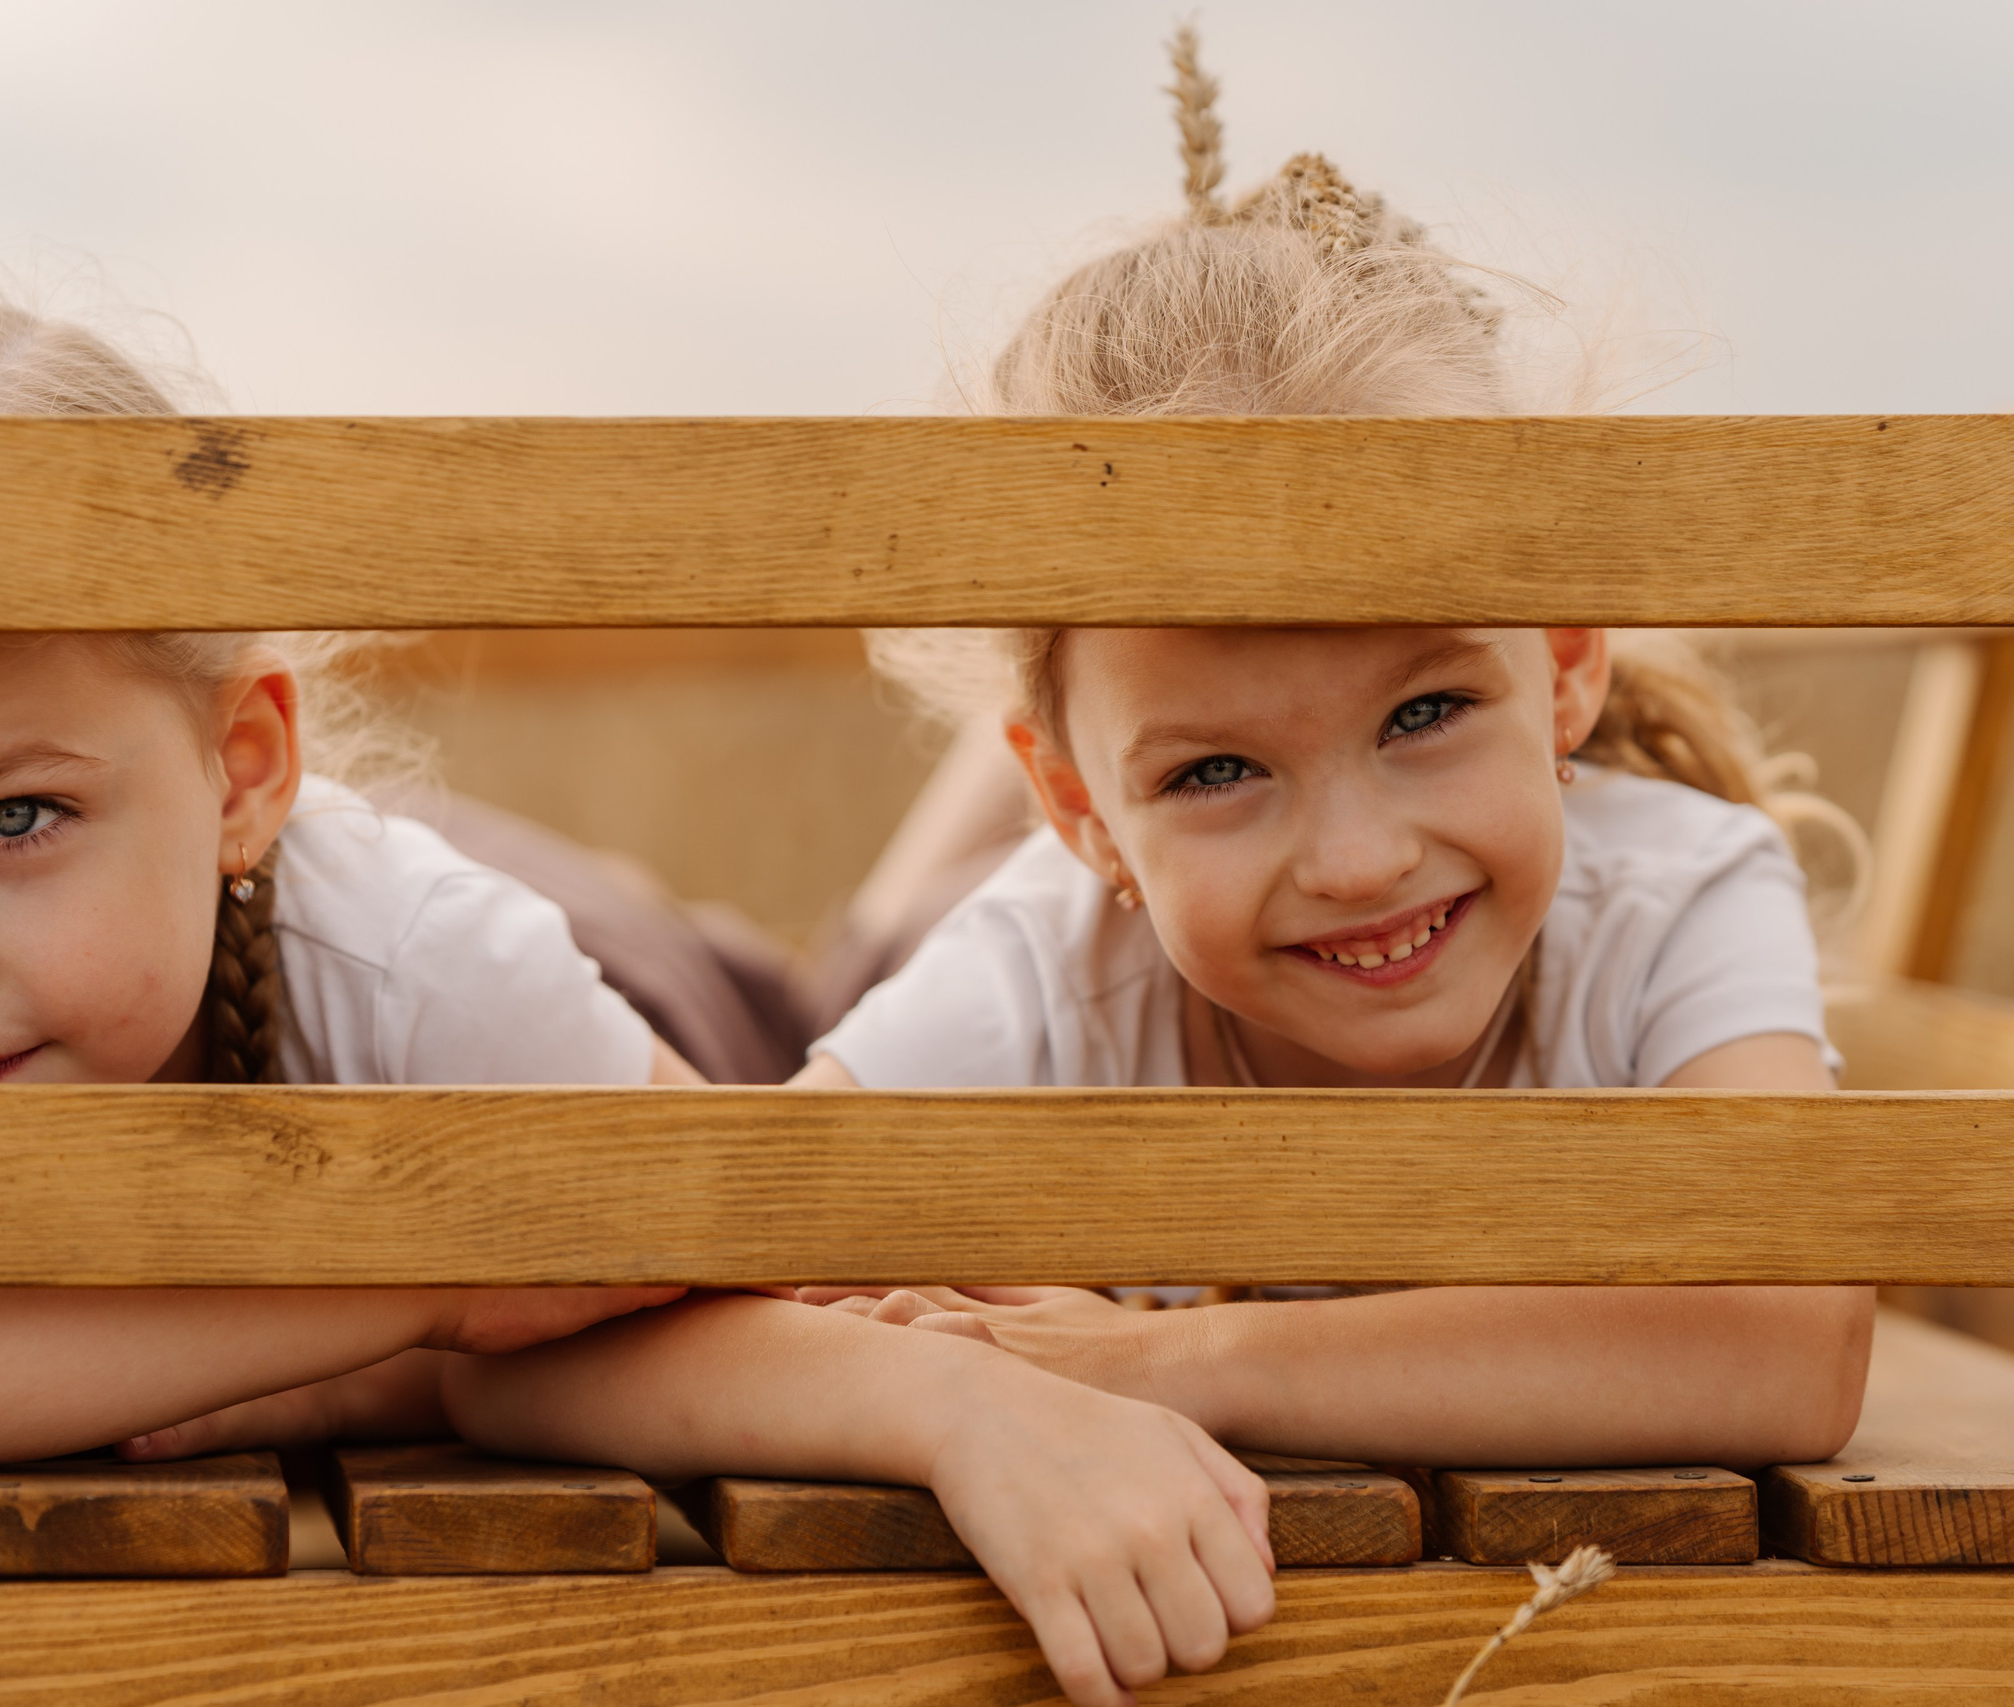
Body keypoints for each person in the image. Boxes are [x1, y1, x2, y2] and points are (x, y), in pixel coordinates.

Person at [0, 277, 1269, 1707]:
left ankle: (998, 775)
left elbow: (742, 1238)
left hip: (673, 1003)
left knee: (871, 981)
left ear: (240, 769)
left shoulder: (435, 968)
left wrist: (973, 1397)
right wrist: (432, 1278)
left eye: (16, 820)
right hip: (444, 1024)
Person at [794, 30, 1875, 1475]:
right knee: (832, 966)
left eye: (1424, 715)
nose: (1361, 861)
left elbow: (1787, 1346)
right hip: (918, 958)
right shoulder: (1047, 972)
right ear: (1074, 812)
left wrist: (1155, 1362)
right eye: (1215, 772)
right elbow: (739, 1245)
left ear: (1563, 669)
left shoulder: (1675, 896)